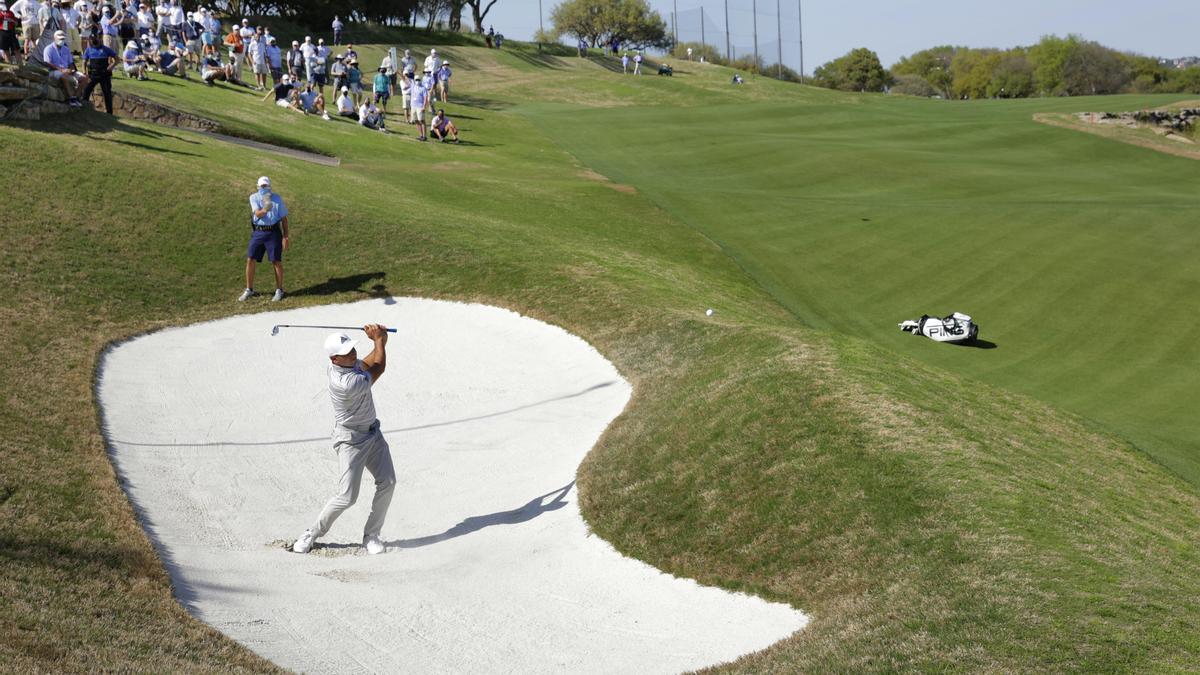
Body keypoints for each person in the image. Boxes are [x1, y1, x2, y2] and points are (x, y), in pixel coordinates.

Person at [292, 325, 396, 556]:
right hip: (351, 440)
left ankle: (371, 536)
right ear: (334, 359)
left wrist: (381, 342)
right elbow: (378, 367)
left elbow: (366, 364)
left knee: (388, 482)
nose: (353, 355)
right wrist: (379, 341)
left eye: (352, 349)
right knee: (347, 496)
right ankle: (311, 533)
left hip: (373, 434)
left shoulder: (346, 363)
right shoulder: (346, 383)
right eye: (347, 352)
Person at [239, 175, 289, 302]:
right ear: (257, 187)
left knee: (276, 261)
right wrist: (266, 206)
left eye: (266, 186)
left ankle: (279, 290)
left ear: (270, 186)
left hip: (273, 232)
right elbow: (258, 214)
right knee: (250, 259)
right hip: (259, 232)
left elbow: (284, 219)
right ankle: (249, 289)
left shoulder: (277, 199)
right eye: (261, 186)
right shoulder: (253, 197)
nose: (264, 188)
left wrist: (286, 237)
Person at [44, 29, 84, 105]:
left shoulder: (66, 49)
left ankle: (76, 97)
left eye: (63, 39)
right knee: (63, 76)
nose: (61, 40)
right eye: (60, 39)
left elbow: (71, 62)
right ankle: (71, 98)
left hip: (66, 70)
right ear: (54, 38)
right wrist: (61, 70)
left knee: (84, 78)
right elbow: (47, 63)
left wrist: (72, 70)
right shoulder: (48, 49)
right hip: (54, 71)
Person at [80, 33, 114, 112]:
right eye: (91, 40)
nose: (93, 41)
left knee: (107, 92)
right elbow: (84, 61)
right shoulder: (89, 49)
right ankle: (84, 108)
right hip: (93, 74)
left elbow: (117, 59)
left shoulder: (106, 49)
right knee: (87, 90)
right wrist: (84, 72)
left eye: (94, 39)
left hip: (105, 74)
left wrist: (112, 66)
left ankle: (109, 112)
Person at [409, 70, 428, 140]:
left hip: (420, 107)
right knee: (416, 121)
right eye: (416, 80)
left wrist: (424, 106)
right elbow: (405, 78)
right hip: (413, 106)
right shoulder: (413, 86)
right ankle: (420, 135)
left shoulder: (423, 88)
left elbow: (426, 97)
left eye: (418, 80)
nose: (417, 81)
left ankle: (424, 136)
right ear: (414, 80)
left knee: (422, 121)